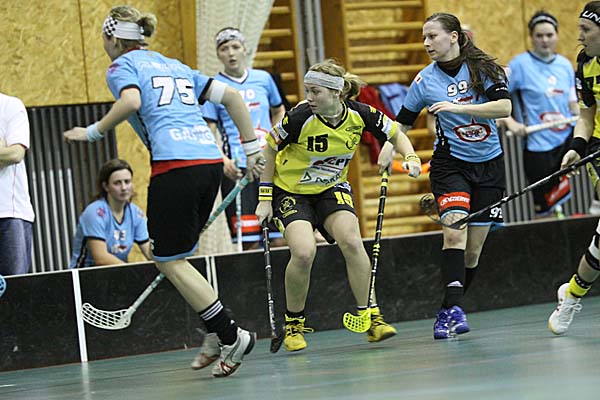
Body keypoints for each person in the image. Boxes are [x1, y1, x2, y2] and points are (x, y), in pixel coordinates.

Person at [63, 5, 264, 377]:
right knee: (178, 257)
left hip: (176, 167)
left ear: (112, 38)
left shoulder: (121, 67)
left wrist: (93, 132)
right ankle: (214, 333)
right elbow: (234, 99)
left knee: (168, 260)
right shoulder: (174, 65)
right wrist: (251, 150)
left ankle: (231, 335)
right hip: (208, 164)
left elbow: (132, 102)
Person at [254, 58, 422, 352]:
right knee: (304, 252)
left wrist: (411, 156)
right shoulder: (299, 117)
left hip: (331, 188)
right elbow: (270, 149)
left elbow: (396, 133)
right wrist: (265, 198)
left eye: (315, 91)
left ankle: (371, 317)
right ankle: (294, 324)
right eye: (307, 90)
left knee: (352, 241)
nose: (308, 97)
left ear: (336, 93)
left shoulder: (360, 114)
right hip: (291, 191)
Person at [395, 13, 511, 339]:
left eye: (432, 36)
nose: (426, 43)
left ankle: (447, 310)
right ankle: (457, 310)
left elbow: (504, 108)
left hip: (489, 165)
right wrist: (394, 152)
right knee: (454, 235)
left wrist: (457, 108)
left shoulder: (484, 69)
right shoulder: (424, 81)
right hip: (450, 166)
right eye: (424, 37)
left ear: (454, 36)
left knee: (472, 252)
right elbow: (401, 124)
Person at [202, 27, 286, 250]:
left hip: (269, 164)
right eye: (224, 48)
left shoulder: (264, 79)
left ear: (245, 50)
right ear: (218, 54)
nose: (231, 53)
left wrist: (277, 141)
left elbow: (279, 110)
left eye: (235, 47)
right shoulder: (214, 86)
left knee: (280, 236)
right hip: (239, 169)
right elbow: (208, 129)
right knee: (249, 241)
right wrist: (222, 160)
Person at [548, 1, 600, 335]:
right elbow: (585, 117)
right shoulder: (585, 65)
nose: (579, 36)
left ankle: (572, 293)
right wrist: (575, 148)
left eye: (586, 29)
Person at [500, 11, 579, 219]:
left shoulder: (565, 65)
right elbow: (496, 99)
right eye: (539, 35)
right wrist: (510, 122)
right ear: (531, 37)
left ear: (557, 35)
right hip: (538, 146)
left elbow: (572, 102)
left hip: (567, 141)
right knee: (544, 208)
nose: (545, 40)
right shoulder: (519, 65)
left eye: (549, 35)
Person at [69, 159, 151, 268]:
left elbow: (148, 251)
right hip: (86, 273)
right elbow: (101, 258)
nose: (124, 188)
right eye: (117, 183)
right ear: (106, 186)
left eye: (127, 182)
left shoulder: (136, 214)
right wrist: (132, 272)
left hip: (118, 272)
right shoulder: (94, 212)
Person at [0, 93, 35, 276]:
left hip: (8, 213)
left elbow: (14, 154)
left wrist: (6, 152)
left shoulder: (10, 106)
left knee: (13, 287)